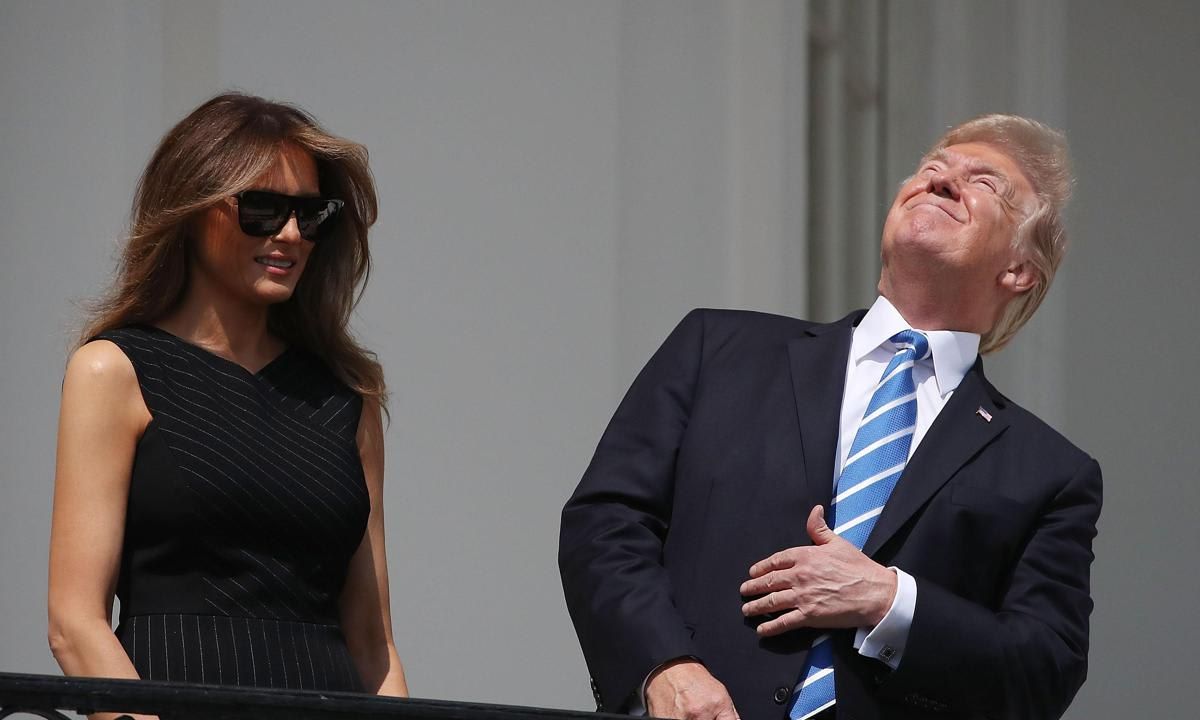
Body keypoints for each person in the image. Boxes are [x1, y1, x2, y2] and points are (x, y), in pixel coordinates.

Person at [559, 114, 1101, 720]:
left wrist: (889, 601)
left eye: (985, 184)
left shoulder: (1048, 473)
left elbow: (1044, 668)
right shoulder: (719, 350)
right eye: (930, 170)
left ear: (1019, 271)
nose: (941, 182)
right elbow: (605, 524)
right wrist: (663, 668)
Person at [47, 93, 408, 705]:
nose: (291, 233)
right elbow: (73, 622)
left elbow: (374, 645)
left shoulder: (348, 397)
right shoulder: (115, 371)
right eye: (263, 209)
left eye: (311, 214)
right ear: (191, 210)